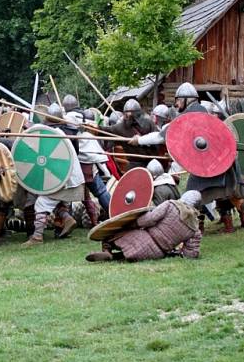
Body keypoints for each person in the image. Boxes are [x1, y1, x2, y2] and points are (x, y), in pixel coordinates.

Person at [131, 82, 244, 241]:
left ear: (186, 100)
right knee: (239, 199)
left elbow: (161, 136)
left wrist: (139, 140)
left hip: (208, 166)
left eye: (178, 100)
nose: (176, 104)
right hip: (228, 163)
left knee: (188, 200)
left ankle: (172, 237)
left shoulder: (187, 117)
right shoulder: (205, 113)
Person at [23, 104, 84, 246]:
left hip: (64, 180)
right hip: (72, 179)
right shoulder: (59, 134)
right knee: (55, 201)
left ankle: (37, 237)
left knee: (41, 203)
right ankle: (67, 218)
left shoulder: (53, 135)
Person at [86, 190, 203, 262]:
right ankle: (117, 257)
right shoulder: (195, 229)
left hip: (145, 239)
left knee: (112, 235)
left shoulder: (170, 206)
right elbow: (191, 254)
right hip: (159, 253)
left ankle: (107, 251)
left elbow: (149, 219)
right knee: (136, 253)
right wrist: (178, 253)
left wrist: (132, 224)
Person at [104, 99, 159, 171]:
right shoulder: (121, 126)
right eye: (126, 113)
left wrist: (143, 141)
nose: (128, 115)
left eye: (131, 113)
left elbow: (156, 140)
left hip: (150, 162)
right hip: (133, 162)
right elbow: (108, 135)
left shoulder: (147, 123)